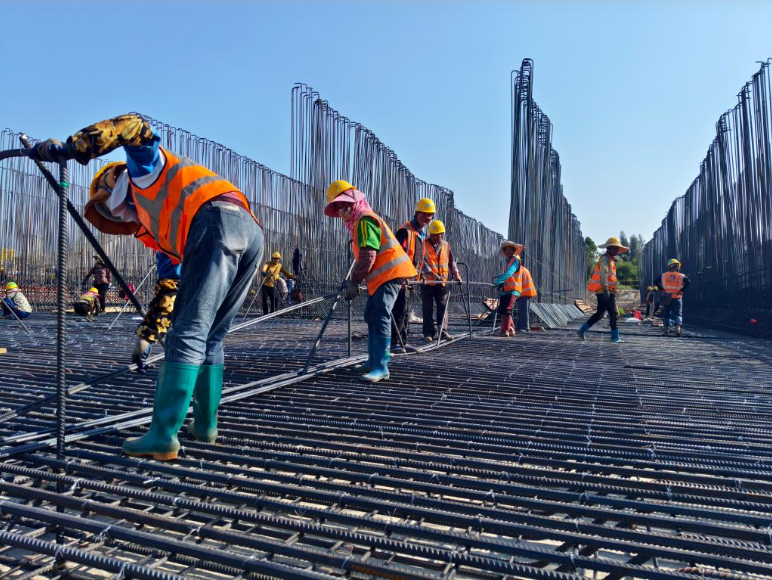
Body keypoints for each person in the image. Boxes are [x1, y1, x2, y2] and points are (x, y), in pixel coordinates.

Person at [33, 113, 264, 460]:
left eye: (112, 204)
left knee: (186, 334)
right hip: (249, 232)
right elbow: (169, 286)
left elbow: (132, 125)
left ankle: (163, 436)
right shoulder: (161, 229)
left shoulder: (142, 173)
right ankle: (205, 426)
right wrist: (148, 334)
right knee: (211, 336)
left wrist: (72, 148)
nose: (119, 214)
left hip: (215, 222)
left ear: (114, 181)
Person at [324, 180, 417, 382]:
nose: (341, 210)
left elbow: (368, 257)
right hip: (381, 277)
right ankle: (373, 360)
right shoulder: (359, 222)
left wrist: (354, 281)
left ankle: (381, 366)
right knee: (371, 315)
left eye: (343, 204)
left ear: (354, 201)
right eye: (337, 206)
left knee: (381, 314)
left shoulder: (365, 220)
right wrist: (355, 280)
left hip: (391, 274)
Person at [392, 198, 434, 351]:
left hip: (411, 279)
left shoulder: (420, 234)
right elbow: (397, 255)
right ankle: (395, 342)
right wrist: (402, 276)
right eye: (423, 214)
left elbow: (419, 258)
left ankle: (403, 341)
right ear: (417, 213)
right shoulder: (406, 231)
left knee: (405, 311)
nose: (426, 218)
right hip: (400, 278)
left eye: (429, 215)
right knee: (399, 310)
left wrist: (422, 274)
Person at [131, 252, 182, 369]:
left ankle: (141, 352)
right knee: (192, 328)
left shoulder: (164, 239)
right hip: (185, 282)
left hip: (167, 285)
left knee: (156, 322)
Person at [578, 236, 628, 343]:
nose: (617, 250)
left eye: (617, 249)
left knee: (600, 313)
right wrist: (606, 290)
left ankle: (582, 330)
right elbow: (603, 274)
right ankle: (615, 337)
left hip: (604, 290)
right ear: (609, 248)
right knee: (613, 313)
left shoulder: (610, 259)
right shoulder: (605, 258)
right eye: (615, 248)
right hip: (605, 291)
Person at [421, 219, 462, 342]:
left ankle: (443, 332)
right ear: (430, 234)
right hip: (427, 282)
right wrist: (432, 275)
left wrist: (456, 274)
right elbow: (421, 262)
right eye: (433, 234)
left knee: (443, 307)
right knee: (427, 308)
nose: (435, 237)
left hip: (442, 283)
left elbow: (451, 262)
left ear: (442, 234)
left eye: (438, 234)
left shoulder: (446, 245)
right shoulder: (423, 244)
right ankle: (428, 333)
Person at [492, 240, 523, 337]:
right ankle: (511, 330)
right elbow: (508, 276)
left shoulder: (515, 261)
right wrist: (502, 284)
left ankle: (504, 331)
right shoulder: (508, 262)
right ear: (504, 252)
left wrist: (499, 281)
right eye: (506, 250)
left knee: (507, 309)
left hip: (513, 290)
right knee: (503, 309)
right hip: (506, 290)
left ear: (514, 251)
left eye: (510, 250)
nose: (508, 252)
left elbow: (510, 273)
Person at [656, 258, 690, 337]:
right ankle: (678, 328)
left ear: (669, 266)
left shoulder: (664, 275)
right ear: (676, 266)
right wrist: (682, 290)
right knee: (678, 314)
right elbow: (688, 282)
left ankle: (665, 330)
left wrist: (662, 289)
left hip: (667, 298)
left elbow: (655, 282)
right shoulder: (681, 275)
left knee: (666, 314)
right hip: (677, 297)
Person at [514, 256, 537, 332]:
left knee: (523, 311)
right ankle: (520, 326)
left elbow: (517, 284)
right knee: (522, 310)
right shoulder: (523, 269)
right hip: (526, 292)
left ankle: (525, 327)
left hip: (524, 293)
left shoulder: (519, 271)